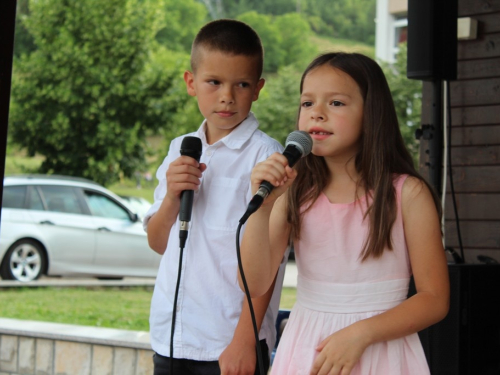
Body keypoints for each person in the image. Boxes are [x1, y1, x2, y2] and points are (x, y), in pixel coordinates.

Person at [238, 52, 450, 375]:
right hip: (308, 350)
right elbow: (252, 283)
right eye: (307, 103)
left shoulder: (408, 194)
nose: (317, 114)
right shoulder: (294, 191)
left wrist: (360, 334)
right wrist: (261, 209)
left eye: (335, 103)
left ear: (371, 112)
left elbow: (435, 298)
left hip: (382, 352)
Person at [143, 19, 287, 375]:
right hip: (171, 335)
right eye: (214, 82)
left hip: (230, 343)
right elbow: (158, 241)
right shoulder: (180, 149)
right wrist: (172, 199)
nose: (227, 96)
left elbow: (272, 259)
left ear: (258, 88)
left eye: (241, 84)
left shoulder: (267, 156)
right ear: (191, 83)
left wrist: (244, 341)